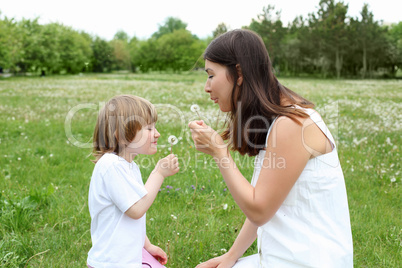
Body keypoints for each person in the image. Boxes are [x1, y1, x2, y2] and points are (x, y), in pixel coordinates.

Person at [189, 29, 353, 267]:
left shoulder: (293, 124)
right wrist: (231, 256)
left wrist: (220, 152)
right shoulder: (279, 119)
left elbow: (259, 210)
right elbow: (267, 202)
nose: (206, 86)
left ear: (239, 73)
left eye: (211, 75)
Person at [87, 95, 179, 268]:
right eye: (149, 128)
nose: (157, 133)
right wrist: (158, 174)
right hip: (112, 262)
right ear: (121, 135)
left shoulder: (129, 166)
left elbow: (131, 213)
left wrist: (147, 245)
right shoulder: (111, 166)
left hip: (126, 257)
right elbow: (136, 209)